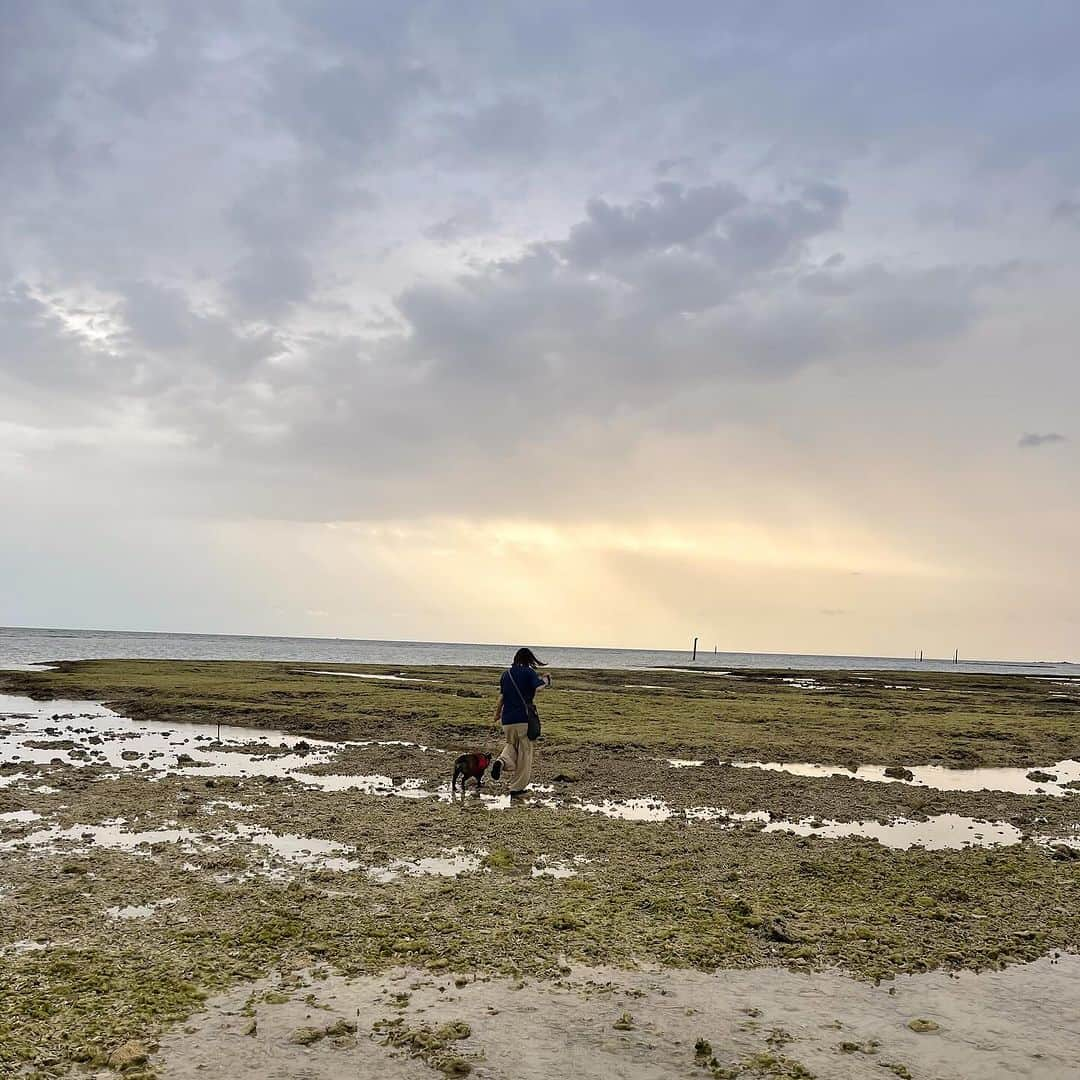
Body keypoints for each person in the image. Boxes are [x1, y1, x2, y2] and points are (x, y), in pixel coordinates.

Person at [492, 647, 550, 797]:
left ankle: (501, 762)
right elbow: (539, 687)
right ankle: (517, 789)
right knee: (525, 753)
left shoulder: (506, 675)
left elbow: (502, 698)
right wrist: (546, 680)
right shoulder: (528, 672)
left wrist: (497, 714)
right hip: (523, 719)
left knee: (511, 745)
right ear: (529, 660)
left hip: (507, 720)